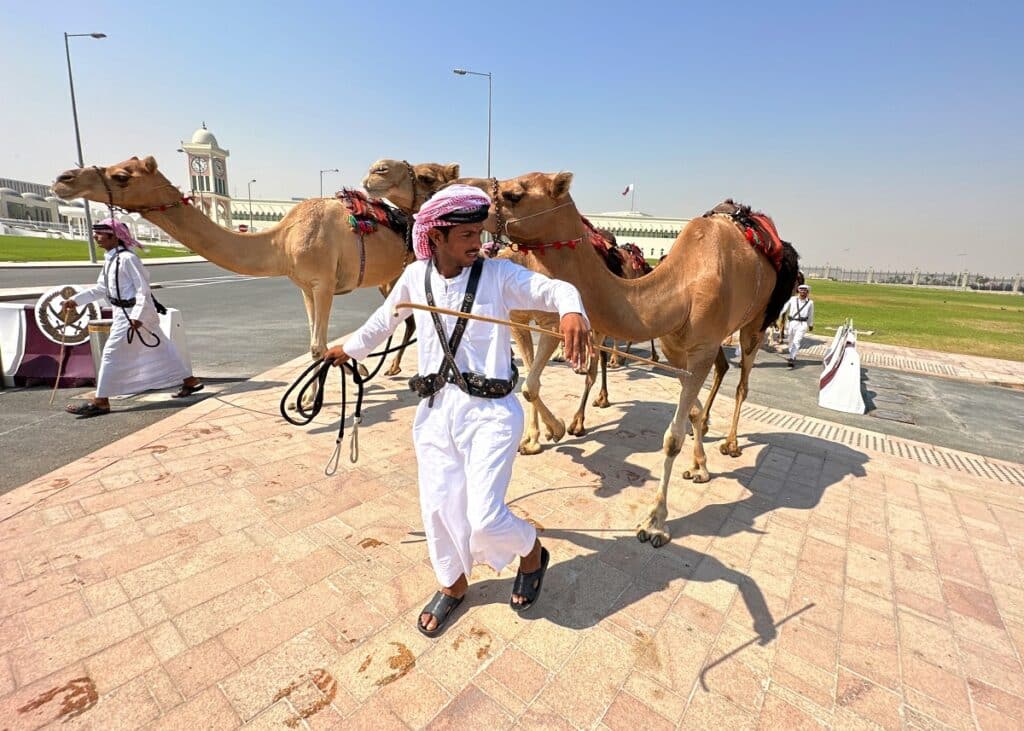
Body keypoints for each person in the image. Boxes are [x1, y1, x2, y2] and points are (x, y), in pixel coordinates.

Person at [322, 185, 590, 636]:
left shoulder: (499, 276)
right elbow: (382, 323)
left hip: (493, 415)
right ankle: (453, 585)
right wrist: (347, 349)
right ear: (438, 235)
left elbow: (554, 288)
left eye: (478, 232)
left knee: (484, 517)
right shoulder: (413, 280)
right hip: (435, 413)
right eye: (467, 234)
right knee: (439, 509)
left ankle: (530, 553)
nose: (477, 242)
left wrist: (571, 311)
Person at [62, 219, 202, 417]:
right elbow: (102, 289)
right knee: (161, 347)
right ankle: (190, 381)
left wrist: (137, 316)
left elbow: (142, 290)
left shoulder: (128, 259)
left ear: (114, 236)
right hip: (125, 312)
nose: (95, 237)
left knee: (110, 353)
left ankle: (101, 401)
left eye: (100, 233)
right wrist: (76, 300)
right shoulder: (110, 259)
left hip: (133, 314)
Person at [782, 283, 814, 367]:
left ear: (808, 292)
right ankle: (792, 353)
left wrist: (810, 324)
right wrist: (776, 316)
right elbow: (784, 309)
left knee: (797, 341)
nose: (803, 292)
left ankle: (792, 358)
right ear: (798, 291)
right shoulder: (792, 299)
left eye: (805, 290)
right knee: (790, 340)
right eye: (801, 290)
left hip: (802, 324)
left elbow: (811, 314)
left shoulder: (810, 302)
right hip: (791, 323)